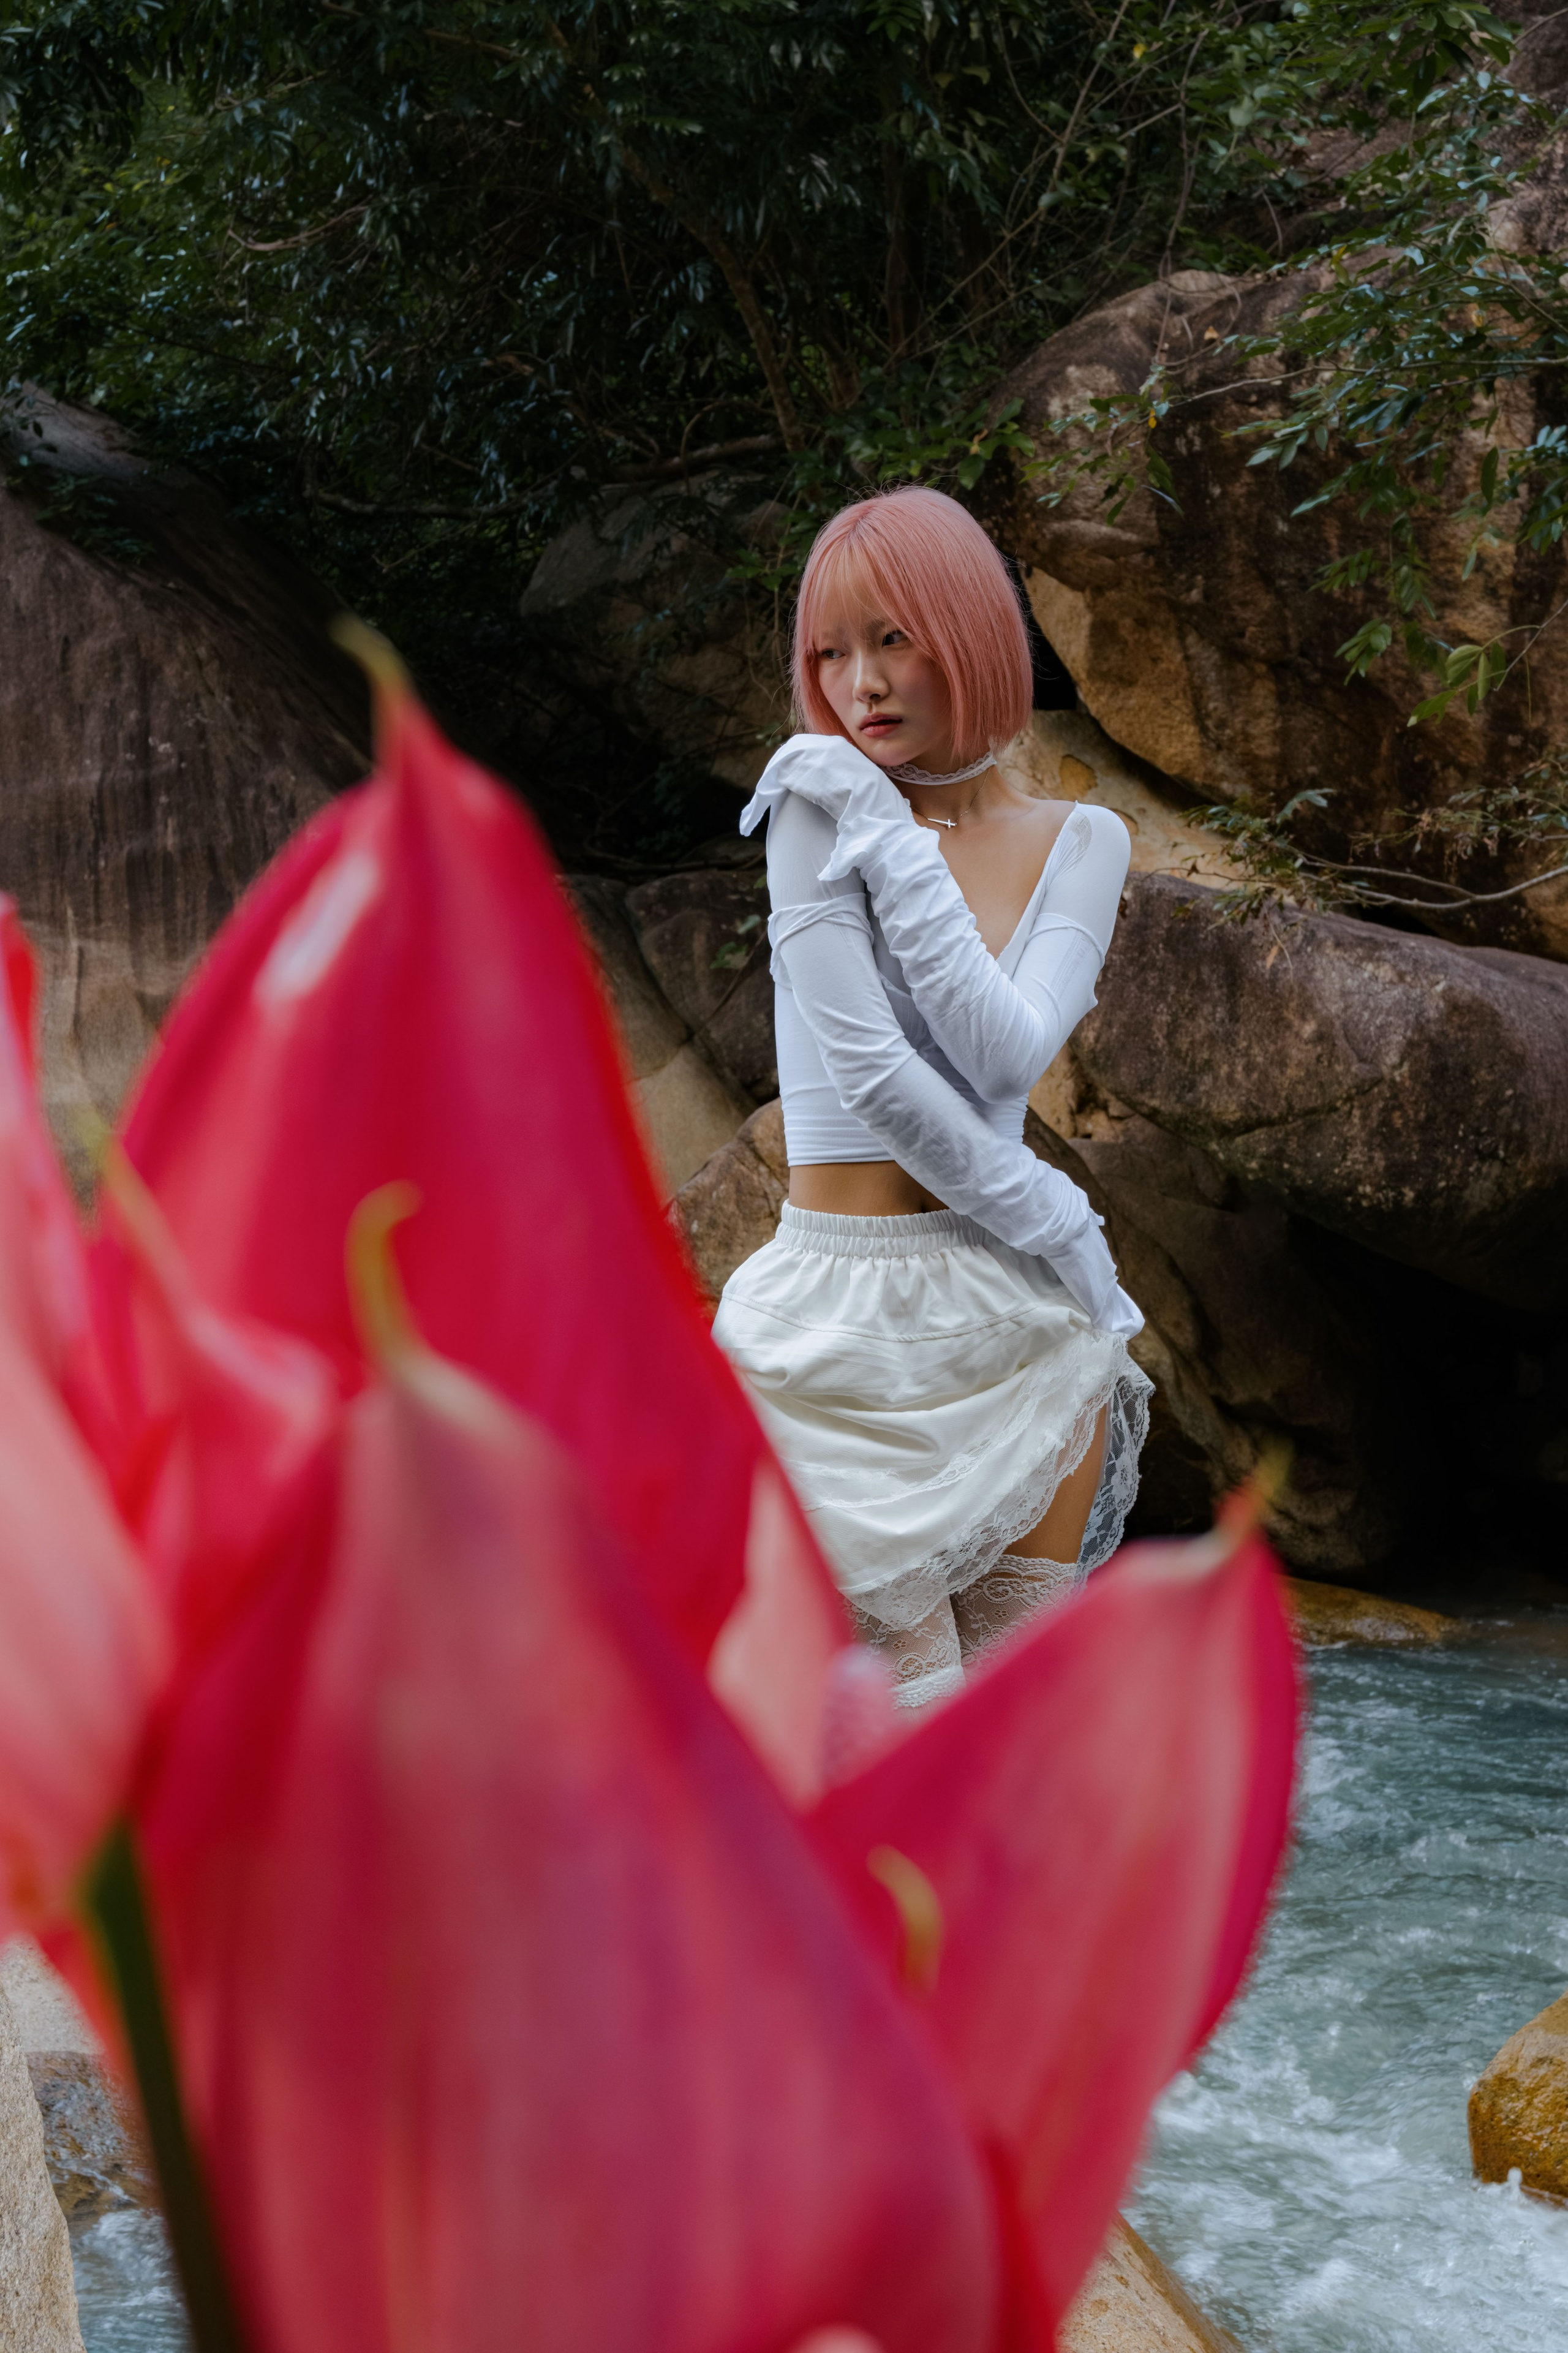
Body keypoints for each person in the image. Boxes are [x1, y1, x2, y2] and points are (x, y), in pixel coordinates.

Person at [712, 485, 1152, 1709]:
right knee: (894, 1741)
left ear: (969, 630)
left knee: (1010, 1744)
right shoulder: (812, 801)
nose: (860, 683)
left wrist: (896, 841)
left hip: (1016, 1315)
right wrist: (1060, 1221)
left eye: (892, 638)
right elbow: (868, 1074)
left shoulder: (1086, 840)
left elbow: (1005, 1053)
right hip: (836, 1328)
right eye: (831, 653)